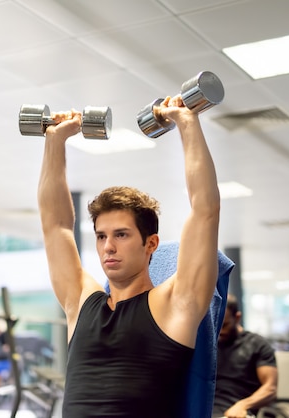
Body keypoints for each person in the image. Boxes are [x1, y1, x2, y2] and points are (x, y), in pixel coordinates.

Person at [37, 96, 220, 417]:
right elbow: (56, 225)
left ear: (151, 244)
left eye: (121, 235)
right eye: (101, 236)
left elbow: (204, 211)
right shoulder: (81, 303)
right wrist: (55, 139)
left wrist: (187, 122)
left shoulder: (175, 304)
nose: (108, 246)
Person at [212, 294, 278, 418]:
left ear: (237, 318)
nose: (220, 332)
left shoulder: (257, 345)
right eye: (216, 326)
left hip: (239, 411)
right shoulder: (208, 345)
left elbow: (271, 389)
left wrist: (243, 405)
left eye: (224, 325)